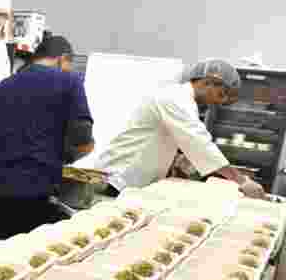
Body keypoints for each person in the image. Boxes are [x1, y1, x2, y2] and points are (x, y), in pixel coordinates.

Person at [0, 35, 95, 245]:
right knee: (24, 267)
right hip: (34, 196)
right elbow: (83, 140)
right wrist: (67, 156)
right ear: (62, 59)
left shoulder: (0, 88)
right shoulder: (69, 81)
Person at [95, 59, 265, 198]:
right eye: (221, 94)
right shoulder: (176, 98)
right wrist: (241, 180)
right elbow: (200, 143)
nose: (219, 102)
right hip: (118, 178)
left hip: (132, 182)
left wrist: (178, 158)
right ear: (208, 82)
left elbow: (172, 138)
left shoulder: (183, 101)